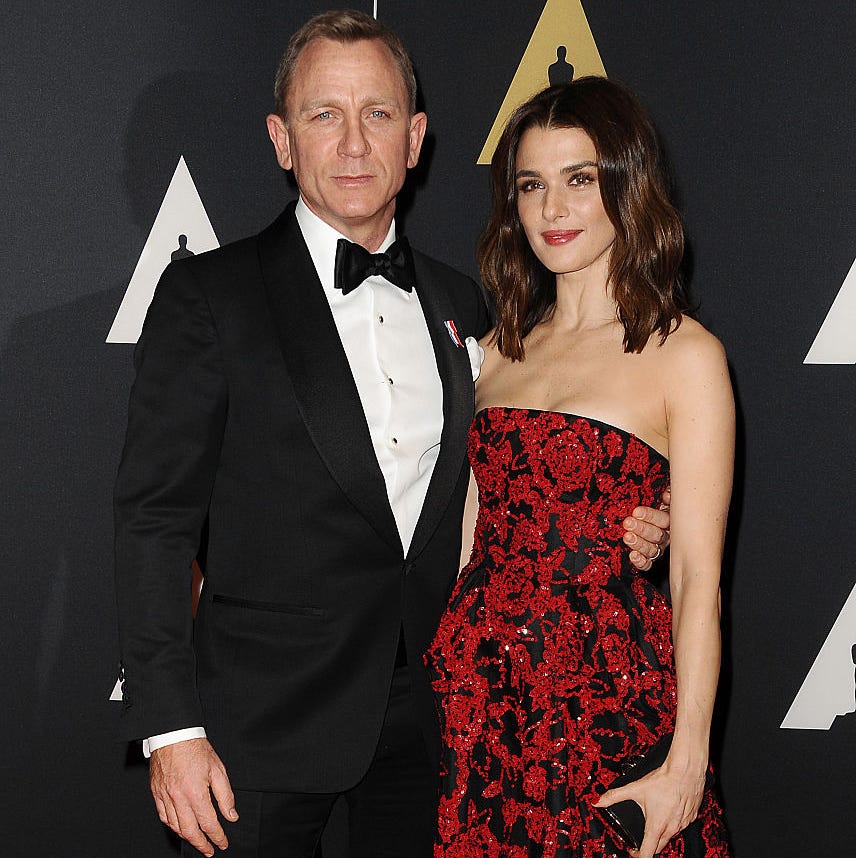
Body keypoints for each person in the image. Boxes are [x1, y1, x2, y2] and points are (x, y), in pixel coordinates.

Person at [113, 12, 669, 857]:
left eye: (376, 114)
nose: (351, 143)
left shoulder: (468, 307)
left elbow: (520, 484)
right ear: (281, 139)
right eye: (322, 114)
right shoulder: (208, 299)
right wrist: (170, 732)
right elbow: (154, 524)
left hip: (441, 724)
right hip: (253, 738)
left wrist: (629, 522)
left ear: (414, 140)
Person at [427, 77, 733, 858]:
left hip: (608, 710)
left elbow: (698, 578)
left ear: (626, 186)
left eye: (580, 179)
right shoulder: (492, 356)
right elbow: (467, 542)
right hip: (486, 714)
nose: (552, 209)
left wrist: (689, 759)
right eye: (531, 185)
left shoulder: (685, 357)